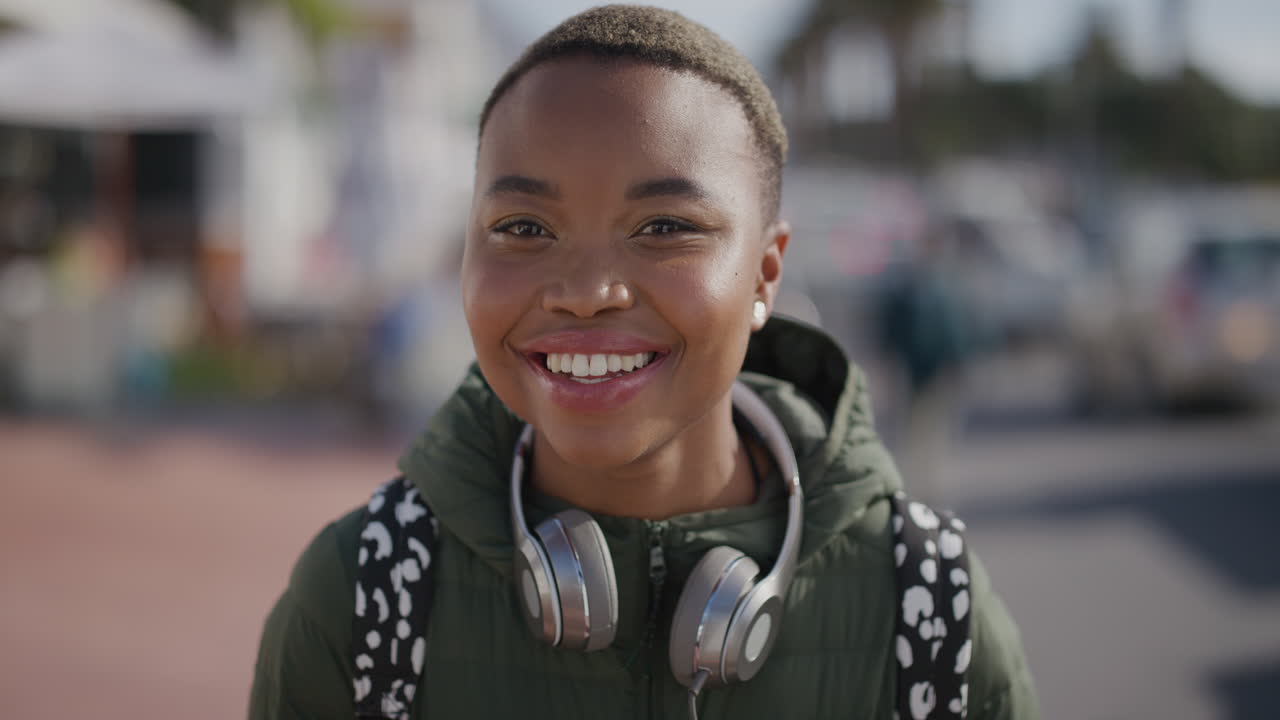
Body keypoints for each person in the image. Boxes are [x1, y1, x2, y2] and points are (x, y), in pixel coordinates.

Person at [248, 6, 1037, 719]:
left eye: (664, 227)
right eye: (523, 228)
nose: (587, 292)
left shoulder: (930, 612)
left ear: (766, 274)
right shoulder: (363, 601)